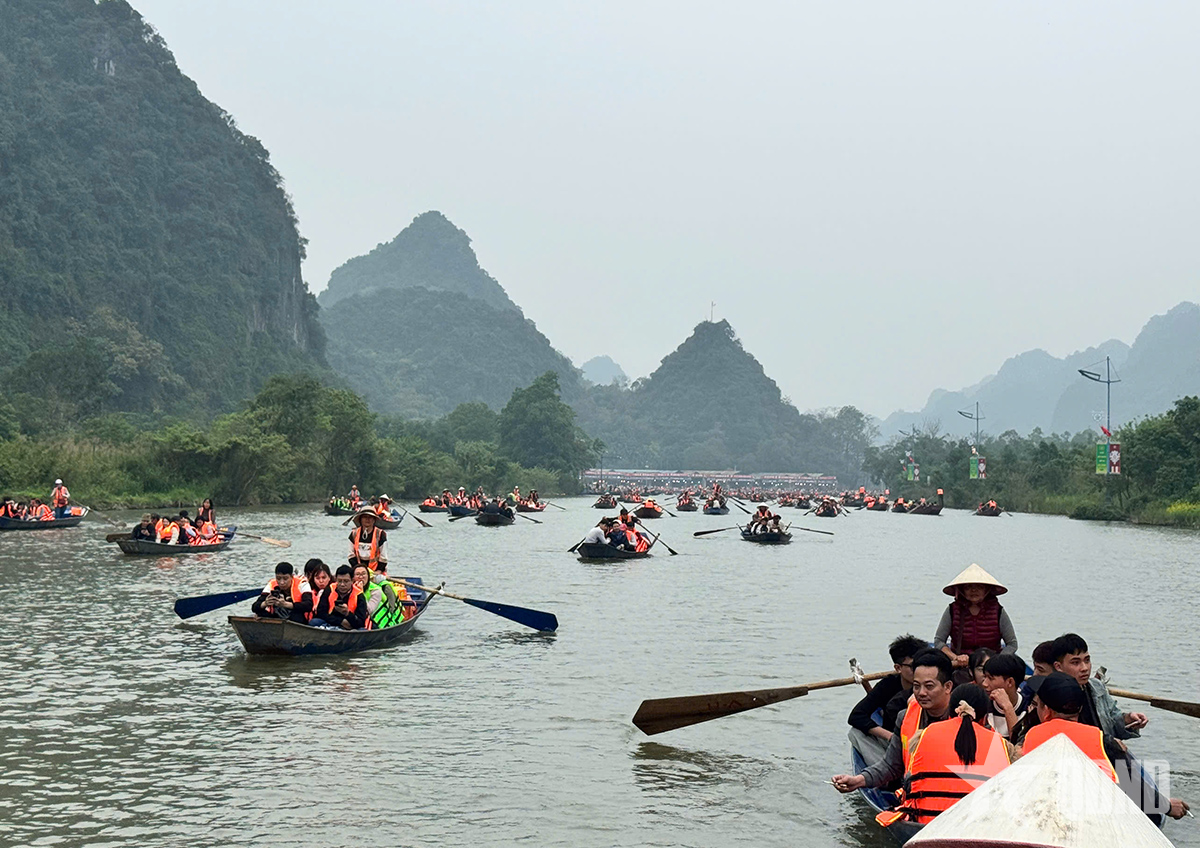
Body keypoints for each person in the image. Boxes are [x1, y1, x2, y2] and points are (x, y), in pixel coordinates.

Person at [1021, 672, 1189, 820]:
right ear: (1079, 709)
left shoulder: (1031, 736)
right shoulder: (1102, 741)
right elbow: (1135, 789)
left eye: (1037, 704)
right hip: (1094, 819)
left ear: (1046, 711)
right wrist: (1168, 806)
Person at [875, 683, 1017, 827]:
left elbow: (910, 781)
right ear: (984, 718)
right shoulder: (1001, 744)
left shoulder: (923, 736)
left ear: (949, 713)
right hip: (979, 828)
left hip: (927, 824)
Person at [832, 651, 957, 793]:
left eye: (929, 686)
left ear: (948, 687)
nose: (921, 693)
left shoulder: (964, 718)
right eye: (916, 686)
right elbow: (891, 766)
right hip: (916, 795)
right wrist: (858, 780)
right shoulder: (905, 717)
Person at [847, 634, 928, 767]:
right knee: (856, 733)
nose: (919, 671)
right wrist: (891, 737)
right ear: (898, 668)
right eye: (913, 666)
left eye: (923, 665)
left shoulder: (933, 686)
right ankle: (886, 770)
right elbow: (856, 716)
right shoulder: (888, 685)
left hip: (923, 741)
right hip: (895, 742)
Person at [1050, 633, 1147, 740]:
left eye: (1087, 660)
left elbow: (1113, 720)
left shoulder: (1097, 687)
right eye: (1075, 662)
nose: (1084, 668)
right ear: (1058, 666)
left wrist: (1128, 719)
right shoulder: (1050, 695)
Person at [934, 564, 1018, 673]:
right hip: (961, 667)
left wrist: (996, 661)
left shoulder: (998, 611)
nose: (974, 590)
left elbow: (1012, 644)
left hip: (991, 668)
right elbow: (939, 641)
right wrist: (955, 657)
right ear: (961, 590)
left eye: (979, 587)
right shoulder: (952, 610)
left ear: (987, 590)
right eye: (968, 587)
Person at [979, 652, 1030, 741]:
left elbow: (1019, 744)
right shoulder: (981, 703)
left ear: (1010, 682)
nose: (984, 684)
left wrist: (1007, 707)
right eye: (985, 677)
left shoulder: (1029, 709)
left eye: (990, 678)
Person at [311, 565, 367, 630]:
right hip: (330, 622)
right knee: (314, 622)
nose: (342, 584)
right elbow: (320, 613)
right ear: (336, 579)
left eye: (346, 581)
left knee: (362, 630)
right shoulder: (329, 589)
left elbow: (361, 622)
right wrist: (340, 621)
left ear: (352, 580)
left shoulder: (359, 595)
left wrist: (347, 613)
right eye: (339, 581)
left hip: (350, 626)